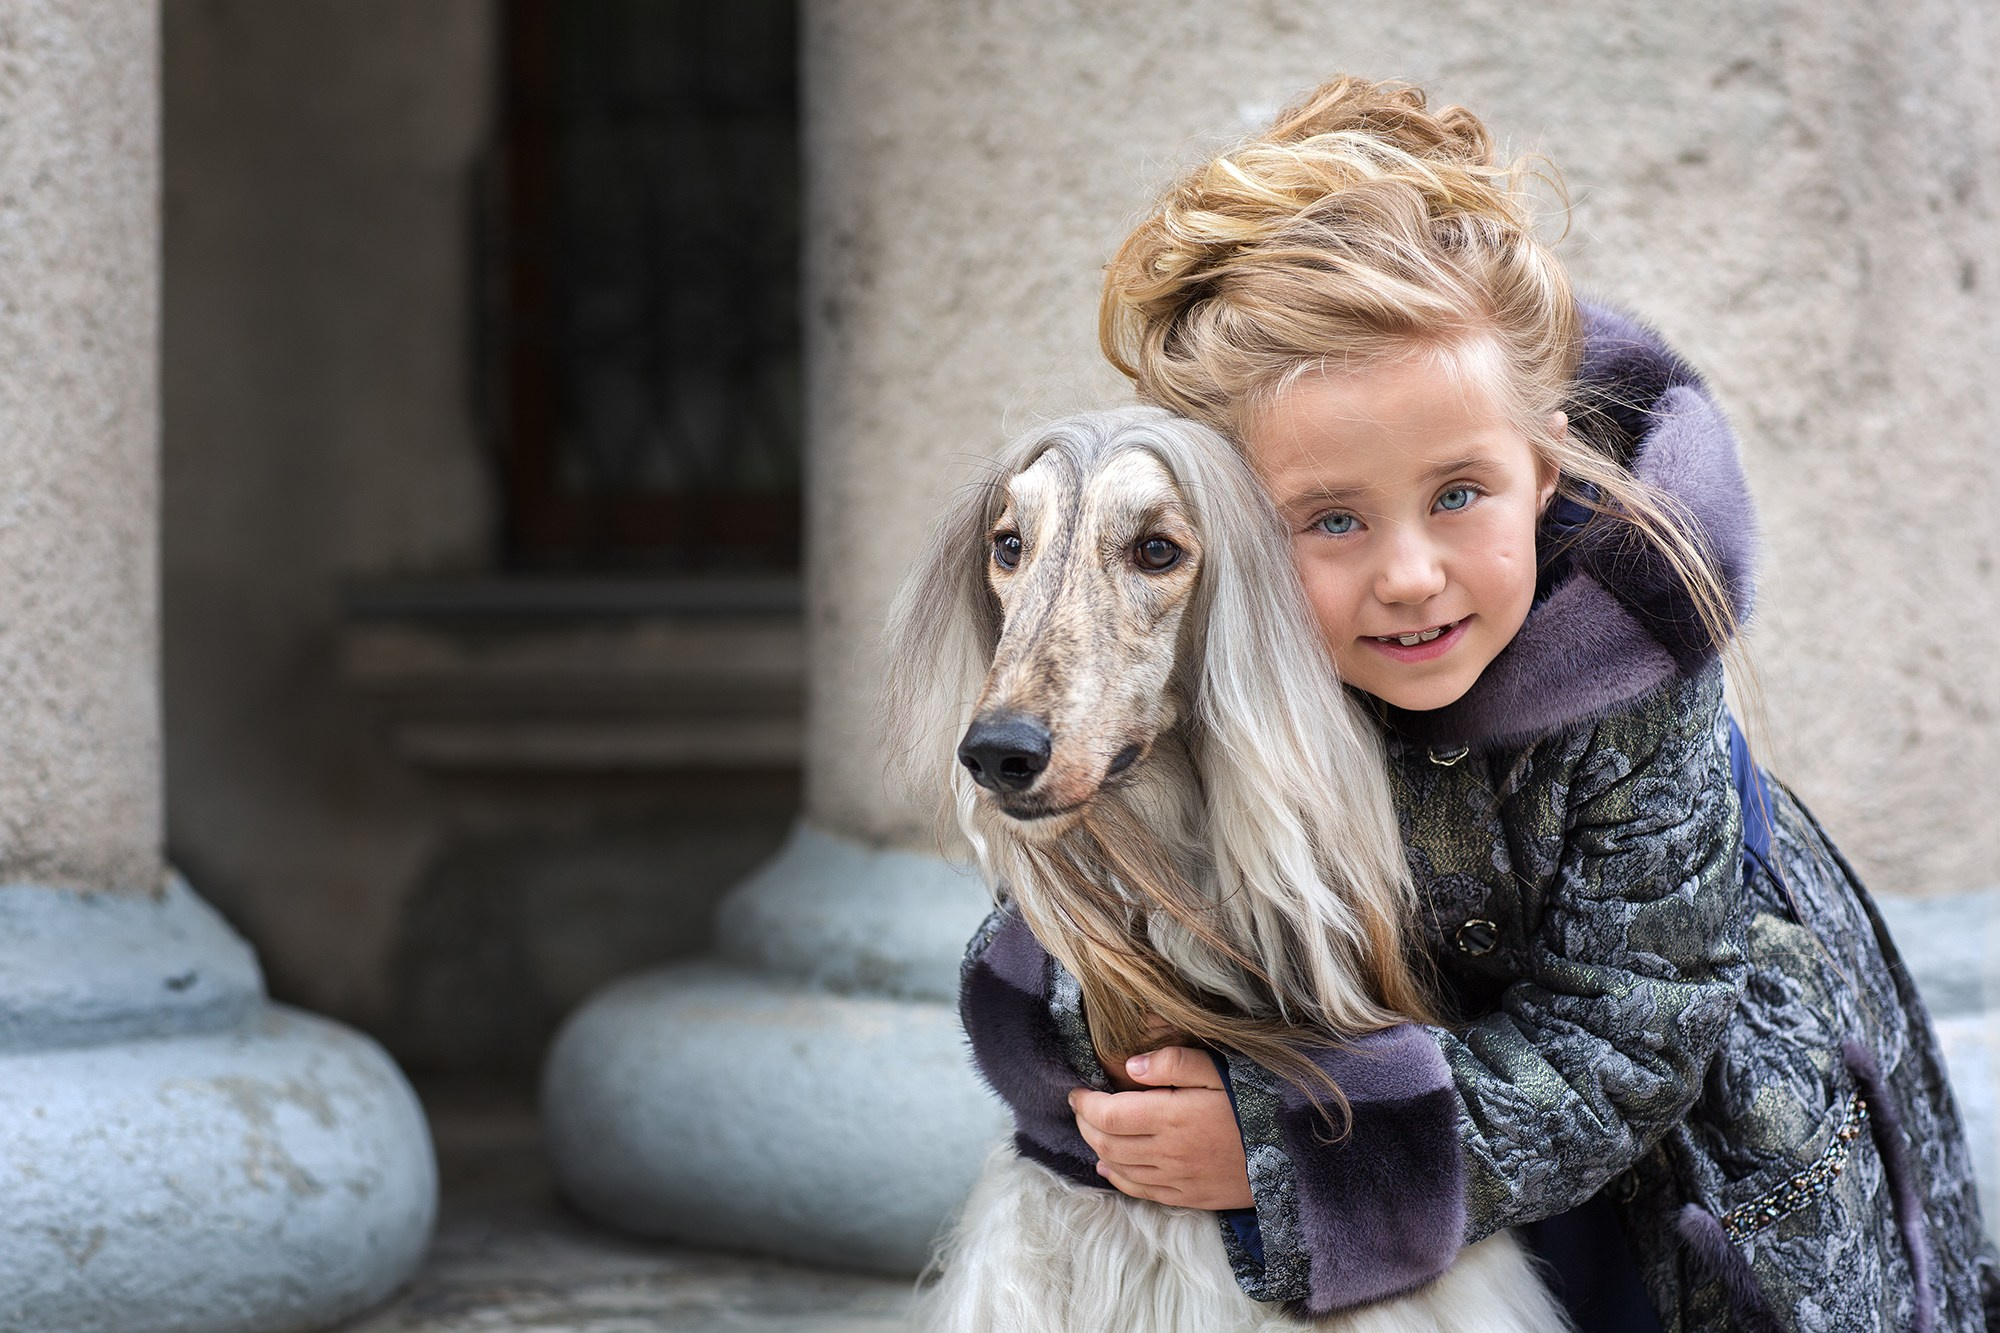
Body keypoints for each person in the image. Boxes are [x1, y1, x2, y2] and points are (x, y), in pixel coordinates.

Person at [956, 75, 2000, 1330]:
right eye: (1329, 519)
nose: (1407, 575)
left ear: (1542, 466)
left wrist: (1285, 1152)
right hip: (1406, 1123)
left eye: (1457, 495)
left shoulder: (1629, 689)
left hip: (1668, 1157)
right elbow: (1073, 943)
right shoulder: (1219, 658)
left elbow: (1631, 1036)